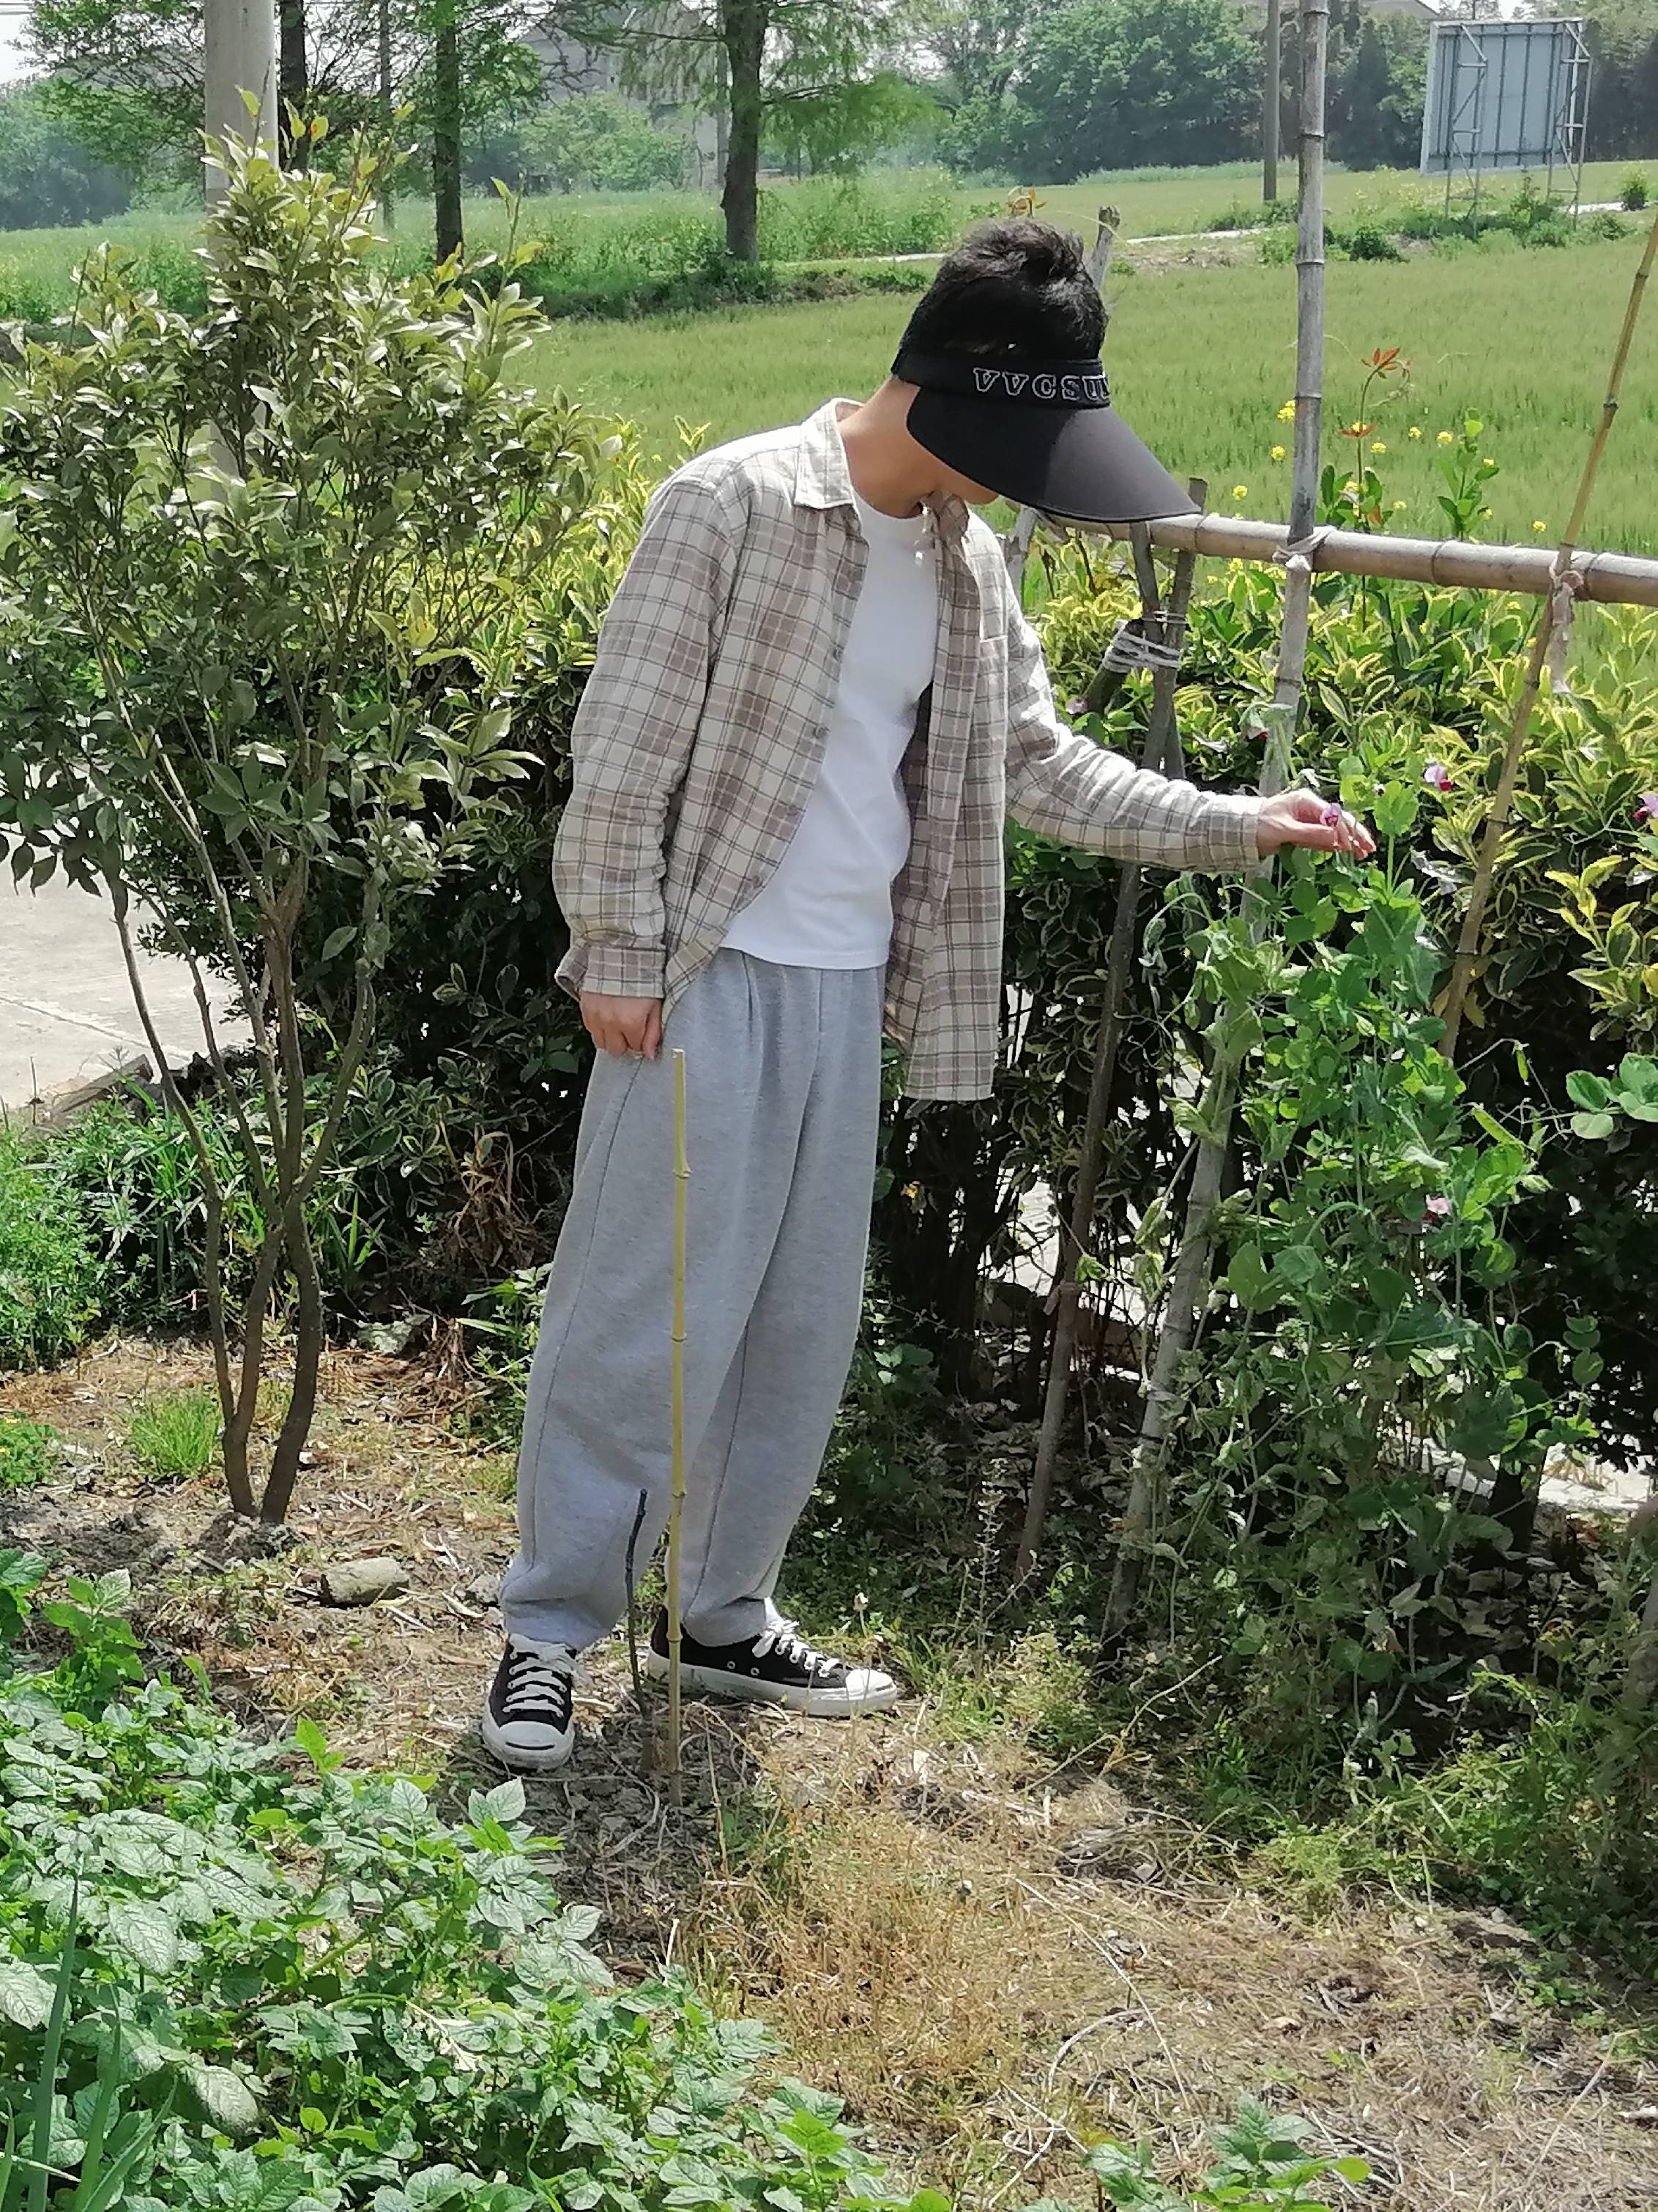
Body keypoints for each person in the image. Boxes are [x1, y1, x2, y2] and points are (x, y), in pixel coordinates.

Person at [479, 218, 1374, 1775]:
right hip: (700, 980)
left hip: (853, 991)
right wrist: (613, 953)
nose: (1023, 484)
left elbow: (1033, 762)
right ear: (948, 397)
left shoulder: (963, 563)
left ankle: (718, 1618)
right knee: (638, 1322)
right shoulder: (735, 503)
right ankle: (550, 1630)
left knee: (795, 1327)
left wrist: (1237, 822)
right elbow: (620, 754)